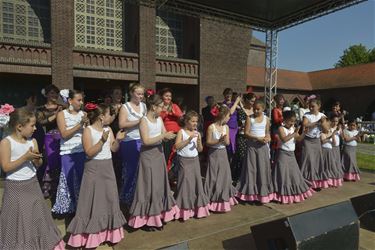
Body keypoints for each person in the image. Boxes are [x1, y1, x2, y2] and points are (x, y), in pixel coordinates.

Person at [0, 108, 64, 250]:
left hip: (32, 184)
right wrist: (25, 158)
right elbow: (5, 167)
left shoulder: (33, 141)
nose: (35, 128)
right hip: (15, 188)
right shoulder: (6, 142)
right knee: (19, 221)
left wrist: (37, 160)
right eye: (32, 125)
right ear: (19, 126)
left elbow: (38, 164)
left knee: (36, 217)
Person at [67, 103, 126, 248]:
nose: (112, 117)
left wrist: (117, 140)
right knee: (92, 200)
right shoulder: (88, 130)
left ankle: (109, 233)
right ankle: (90, 236)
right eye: (109, 114)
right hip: (93, 169)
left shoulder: (109, 129)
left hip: (107, 168)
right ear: (101, 117)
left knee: (109, 199)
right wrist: (102, 140)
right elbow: (89, 152)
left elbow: (113, 149)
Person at [128, 94, 179, 230]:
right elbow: (146, 141)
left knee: (158, 186)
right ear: (153, 106)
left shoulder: (159, 120)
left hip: (159, 155)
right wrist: (163, 135)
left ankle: (158, 215)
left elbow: (163, 135)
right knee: (148, 186)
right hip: (148, 156)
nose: (162, 109)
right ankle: (146, 219)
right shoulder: (144, 121)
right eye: (161, 107)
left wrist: (171, 136)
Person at [52, 90, 88, 215]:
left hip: (82, 151)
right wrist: (79, 125)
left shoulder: (84, 114)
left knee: (81, 180)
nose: (81, 102)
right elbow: (64, 134)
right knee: (69, 180)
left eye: (82, 100)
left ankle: (82, 207)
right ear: (70, 100)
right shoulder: (62, 114)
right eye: (79, 100)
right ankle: (69, 208)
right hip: (68, 152)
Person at [236, 100, 275, 204]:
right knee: (251, 169)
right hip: (252, 147)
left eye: (258, 109)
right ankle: (250, 194)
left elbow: (267, 133)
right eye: (254, 109)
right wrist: (257, 138)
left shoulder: (266, 119)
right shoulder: (250, 118)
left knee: (262, 169)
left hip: (262, 147)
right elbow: (246, 133)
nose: (256, 111)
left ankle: (262, 193)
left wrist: (268, 138)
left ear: (263, 109)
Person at [174, 111, 210, 221]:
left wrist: (199, 141)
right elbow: (177, 146)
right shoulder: (181, 132)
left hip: (194, 160)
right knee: (185, 183)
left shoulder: (197, 133)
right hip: (184, 161)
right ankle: (183, 210)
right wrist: (188, 139)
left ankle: (196, 209)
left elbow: (200, 150)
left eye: (197, 121)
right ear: (186, 121)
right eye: (193, 121)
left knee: (196, 183)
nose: (195, 123)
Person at [272, 111, 314, 204]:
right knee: (283, 174)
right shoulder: (281, 128)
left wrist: (303, 133)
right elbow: (284, 139)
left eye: (294, 121)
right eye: (290, 121)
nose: (292, 123)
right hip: (282, 154)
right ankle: (282, 195)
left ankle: (293, 193)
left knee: (294, 174)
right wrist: (294, 133)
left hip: (291, 155)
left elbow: (298, 139)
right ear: (285, 120)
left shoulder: (293, 128)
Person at [205, 105, 238, 212]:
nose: (229, 118)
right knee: (214, 174)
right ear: (223, 116)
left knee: (224, 175)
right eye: (228, 116)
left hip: (223, 153)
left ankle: (224, 197)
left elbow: (227, 143)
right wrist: (218, 141)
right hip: (214, 154)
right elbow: (208, 142)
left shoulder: (226, 127)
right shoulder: (211, 127)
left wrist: (224, 140)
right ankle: (213, 197)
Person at [118, 83, 146, 207]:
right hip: (130, 141)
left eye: (142, 94)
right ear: (131, 93)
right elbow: (121, 124)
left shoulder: (144, 106)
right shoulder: (125, 107)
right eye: (138, 93)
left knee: (142, 170)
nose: (140, 96)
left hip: (143, 140)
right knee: (131, 170)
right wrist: (138, 121)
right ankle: (127, 196)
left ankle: (140, 196)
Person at [37, 84, 64, 198]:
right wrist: (55, 115)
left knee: (60, 162)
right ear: (46, 94)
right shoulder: (41, 109)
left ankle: (58, 188)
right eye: (52, 93)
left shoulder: (63, 107)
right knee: (49, 162)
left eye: (56, 93)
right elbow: (41, 122)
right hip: (48, 139)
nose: (54, 95)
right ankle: (47, 188)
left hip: (61, 138)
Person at [300, 98, 330, 189]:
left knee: (317, 160)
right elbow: (305, 125)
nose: (311, 108)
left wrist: (323, 123)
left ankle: (316, 183)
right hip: (308, 140)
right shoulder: (306, 115)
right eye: (310, 106)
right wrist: (317, 122)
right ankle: (305, 181)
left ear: (319, 106)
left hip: (316, 141)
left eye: (313, 106)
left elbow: (326, 130)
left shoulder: (322, 115)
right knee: (308, 159)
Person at [231, 93, 255, 182]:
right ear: (247, 100)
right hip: (242, 136)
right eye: (252, 101)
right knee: (241, 156)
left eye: (254, 101)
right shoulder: (241, 111)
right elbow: (241, 123)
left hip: (252, 137)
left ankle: (249, 177)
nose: (253, 103)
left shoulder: (255, 111)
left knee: (250, 157)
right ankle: (238, 178)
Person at [159, 88, 183, 176]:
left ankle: (173, 175)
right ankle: (166, 176)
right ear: (162, 97)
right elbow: (157, 118)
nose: (168, 98)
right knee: (167, 155)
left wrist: (174, 114)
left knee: (175, 155)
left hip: (177, 134)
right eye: (166, 96)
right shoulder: (159, 106)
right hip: (166, 135)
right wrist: (165, 113)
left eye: (170, 96)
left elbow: (181, 117)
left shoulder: (175, 106)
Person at [320, 120, 342, 187]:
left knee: (331, 166)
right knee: (324, 166)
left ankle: (333, 181)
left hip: (330, 151)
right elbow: (323, 141)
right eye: (327, 127)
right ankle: (324, 181)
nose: (328, 128)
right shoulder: (321, 133)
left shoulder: (330, 133)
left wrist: (333, 136)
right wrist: (331, 136)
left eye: (328, 127)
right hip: (324, 151)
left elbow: (334, 143)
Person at [222, 88, 241, 161]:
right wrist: (236, 102)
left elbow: (242, 110)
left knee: (235, 146)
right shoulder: (223, 105)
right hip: (228, 127)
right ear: (224, 95)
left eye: (230, 94)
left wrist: (240, 102)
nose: (228, 95)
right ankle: (228, 161)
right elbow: (230, 112)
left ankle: (233, 163)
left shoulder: (234, 104)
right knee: (230, 146)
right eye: (226, 94)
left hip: (235, 127)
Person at [270, 94, 285, 162]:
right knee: (276, 143)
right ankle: (273, 159)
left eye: (282, 99)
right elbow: (276, 120)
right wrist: (284, 117)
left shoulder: (282, 109)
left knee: (281, 143)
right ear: (277, 101)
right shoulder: (275, 110)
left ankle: (279, 158)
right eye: (280, 99)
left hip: (281, 128)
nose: (282, 101)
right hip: (275, 129)